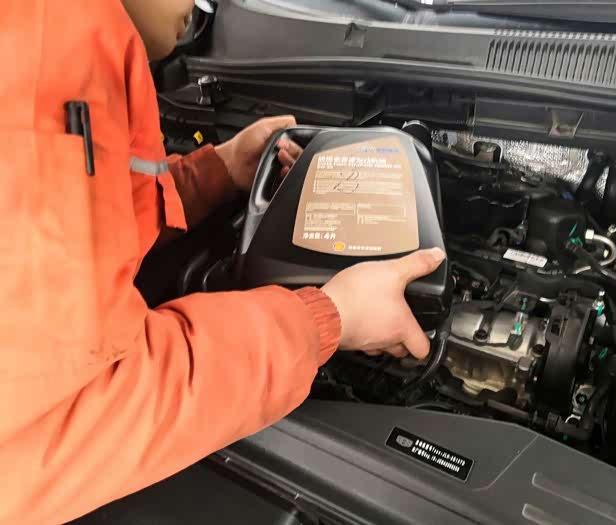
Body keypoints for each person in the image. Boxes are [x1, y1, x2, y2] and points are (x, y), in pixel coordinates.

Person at [0, 1, 446, 523]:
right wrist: (327, 318)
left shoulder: (50, 30)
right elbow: (63, 414)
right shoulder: (47, 49)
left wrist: (218, 171)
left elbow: (85, 216)